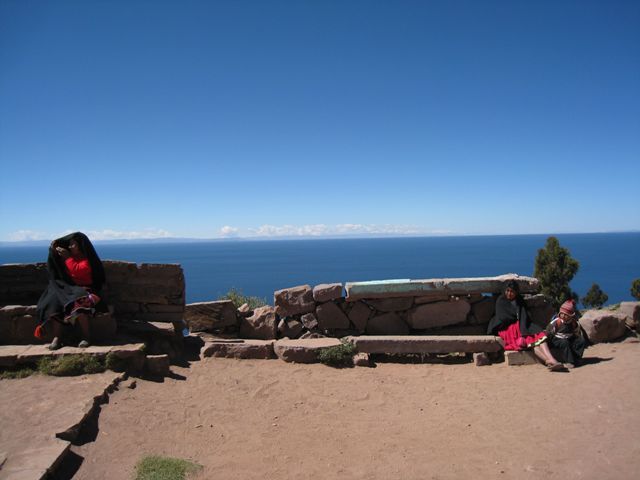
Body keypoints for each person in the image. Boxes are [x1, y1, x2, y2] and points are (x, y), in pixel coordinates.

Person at [35, 232, 107, 350]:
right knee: (54, 301)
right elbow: (55, 268)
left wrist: (68, 258)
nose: (70, 247)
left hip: (86, 288)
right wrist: (54, 249)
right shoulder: (67, 257)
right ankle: (57, 337)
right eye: (69, 244)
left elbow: (79, 271)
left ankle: (86, 336)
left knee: (79, 301)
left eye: (73, 244)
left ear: (80, 246)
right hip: (69, 288)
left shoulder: (86, 259)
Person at [487, 280, 564, 371]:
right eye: (508, 291)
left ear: (516, 292)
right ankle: (549, 361)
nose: (509, 293)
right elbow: (503, 317)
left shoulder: (519, 300)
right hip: (507, 328)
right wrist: (517, 317)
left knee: (539, 336)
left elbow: (524, 315)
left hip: (521, 325)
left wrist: (522, 325)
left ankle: (551, 360)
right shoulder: (501, 301)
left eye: (512, 291)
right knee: (531, 341)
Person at [545, 299, 587, 369]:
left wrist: (577, 338)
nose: (563, 316)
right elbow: (548, 332)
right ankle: (569, 362)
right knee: (564, 342)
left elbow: (577, 333)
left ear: (571, 315)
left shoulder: (574, 323)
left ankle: (577, 358)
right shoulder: (556, 322)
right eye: (562, 314)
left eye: (566, 315)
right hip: (557, 339)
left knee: (581, 341)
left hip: (569, 338)